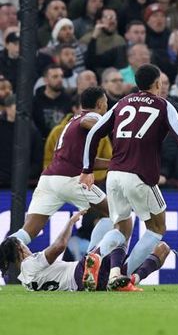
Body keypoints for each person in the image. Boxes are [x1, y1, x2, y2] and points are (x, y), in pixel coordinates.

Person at [82, 64, 178, 291]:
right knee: (157, 227)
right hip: (139, 175)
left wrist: (87, 168)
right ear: (158, 84)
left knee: (122, 229)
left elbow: (93, 132)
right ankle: (125, 275)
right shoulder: (163, 105)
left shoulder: (122, 103)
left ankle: (96, 254)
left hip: (114, 175)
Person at [10, 87, 112, 251]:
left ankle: (5, 248)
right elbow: (88, 123)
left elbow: (84, 160)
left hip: (49, 179)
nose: (107, 107)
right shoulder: (92, 116)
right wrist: (110, 127)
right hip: (70, 179)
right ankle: (92, 261)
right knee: (117, 214)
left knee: (28, 231)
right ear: (100, 104)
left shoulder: (71, 121)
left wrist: (114, 163)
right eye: (106, 103)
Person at [0, 211, 170, 292]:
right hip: (80, 273)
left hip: (89, 278)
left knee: (163, 250)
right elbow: (59, 246)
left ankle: (126, 278)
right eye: (24, 244)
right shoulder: (31, 264)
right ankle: (117, 275)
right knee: (115, 236)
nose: (27, 246)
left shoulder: (25, 281)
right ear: (19, 248)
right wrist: (71, 222)